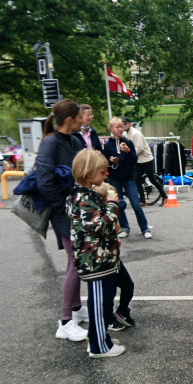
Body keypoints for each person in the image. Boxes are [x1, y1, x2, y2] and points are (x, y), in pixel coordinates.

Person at [37, 99, 90, 342]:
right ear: (69, 120)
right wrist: (64, 208)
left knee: (74, 262)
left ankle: (77, 310)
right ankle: (65, 320)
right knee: (77, 262)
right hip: (65, 213)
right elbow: (44, 182)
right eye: (80, 117)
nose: (83, 120)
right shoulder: (50, 143)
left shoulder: (75, 140)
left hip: (77, 209)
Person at [68, 150, 125, 358]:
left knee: (104, 300)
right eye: (102, 172)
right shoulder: (83, 198)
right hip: (95, 262)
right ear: (88, 173)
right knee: (100, 304)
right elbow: (101, 226)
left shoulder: (86, 194)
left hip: (100, 259)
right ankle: (99, 346)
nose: (105, 176)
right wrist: (112, 205)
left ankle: (99, 337)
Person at [103, 118, 151, 240]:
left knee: (136, 204)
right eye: (117, 127)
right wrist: (110, 161)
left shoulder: (128, 142)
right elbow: (105, 162)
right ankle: (124, 228)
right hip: (114, 178)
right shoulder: (108, 145)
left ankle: (145, 228)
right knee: (119, 205)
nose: (120, 129)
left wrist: (129, 152)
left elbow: (134, 160)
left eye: (121, 127)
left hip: (129, 177)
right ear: (111, 129)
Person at [121, 117, 166, 208]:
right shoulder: (125, 134)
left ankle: (165, 197)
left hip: (146, 159)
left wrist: (129, 154)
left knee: (152, 179)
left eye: (125, 123)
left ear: (130, 124)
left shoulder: (136, 133)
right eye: (122, 124)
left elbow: (140, 148)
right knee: (137, 180)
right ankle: (142, 201)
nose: (123, 126)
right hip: (137, 161)